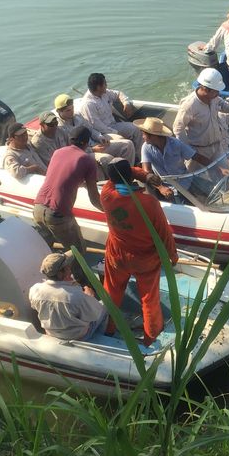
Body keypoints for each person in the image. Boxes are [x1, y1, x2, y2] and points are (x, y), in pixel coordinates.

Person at [100, 159, 178, 346]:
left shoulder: (106, 195)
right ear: (130, 176)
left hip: (116, 256)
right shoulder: (149, 203)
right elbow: (164, 233)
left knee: (111, 292)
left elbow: (117, 176)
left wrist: (138, 174)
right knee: (149, 299)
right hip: (145, 260)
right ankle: (150, 336)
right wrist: (172, 256)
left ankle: (107, 328)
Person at [33, 125, 105, 278]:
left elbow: (63, 175)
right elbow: (94, 198)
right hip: (58, 215)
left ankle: (45, 276)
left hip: (38, 208)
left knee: (46, 246)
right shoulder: (87, 160)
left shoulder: (58, 152)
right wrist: (108, 211)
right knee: (78, 251)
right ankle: (83, 284)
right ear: (86, 142)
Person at [173, 68, 229, 162]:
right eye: (216, 91)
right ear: (205, 89)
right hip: (200, 150)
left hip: (217, 147)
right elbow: (178, 129)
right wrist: (190, 152)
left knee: (226, 169)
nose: (218, 93)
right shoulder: (189, 106)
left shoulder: (213, 97)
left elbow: (222, 104)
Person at [28, 252, 108, 341]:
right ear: (60, 273)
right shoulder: (78, 296)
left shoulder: (35, 290)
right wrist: (90, 297)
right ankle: (100, 338)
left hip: (51, 333)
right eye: (67, 267)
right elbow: (94, 315)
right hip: (78, 336)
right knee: (105, 307)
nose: (70, 268)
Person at [76, 73, 143, 161]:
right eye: (105, 83)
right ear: (99, 87)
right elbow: (98, 126)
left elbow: (118, 94)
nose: (107, 85)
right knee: (125, 141)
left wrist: (126, 103)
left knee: (137, 129)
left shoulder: (104, 93)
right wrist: (117, 133)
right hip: (103, 133)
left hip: (114, 125)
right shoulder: (88, 104)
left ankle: (140, 158)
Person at [54, 93, 135, 165]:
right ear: (58, 111)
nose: (71, 112)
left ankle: (129, 170)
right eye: (68, 110)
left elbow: (90, 129)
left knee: (127, 144)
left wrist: (100, 137)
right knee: (106, 159)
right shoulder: (60, 129)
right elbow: (71, 150)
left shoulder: (77, 115)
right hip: (85, 152)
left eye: (72, 108)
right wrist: (92, 150)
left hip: (95, 143)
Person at [137, 115, 210, 177]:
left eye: (144, 134)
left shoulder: (175, 143)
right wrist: (158, 186)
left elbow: (196, 157)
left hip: (183, 181)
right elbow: (147, 171)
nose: (142, 137)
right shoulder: (145, 147)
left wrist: (215, 167)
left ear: (153, 136)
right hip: (164, 185)